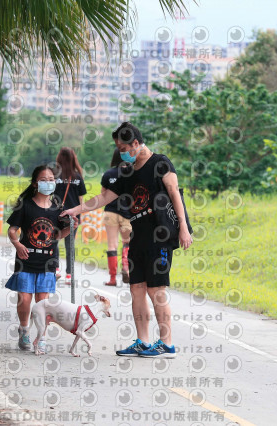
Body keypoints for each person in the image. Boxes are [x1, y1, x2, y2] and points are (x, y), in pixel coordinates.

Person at [61, 122, 193, 358]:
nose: (121, 152)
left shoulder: (160, 163)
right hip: (138, 236)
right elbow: (103, 198)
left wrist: (183, 227)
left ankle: (167, 343)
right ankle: (143, 341)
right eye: (118, 149)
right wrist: (76, 210)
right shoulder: (127, 172)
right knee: (136, 289)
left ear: (136, 143)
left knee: (156, 290)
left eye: (123, 148)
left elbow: (174, 193)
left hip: (160, 236)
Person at [5, 164, 74, 353]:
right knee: (25, 299)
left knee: (43, 302)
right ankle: (24, 330)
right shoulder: (25, 205)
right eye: (44, 180)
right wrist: (18, 245)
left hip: (48, 262)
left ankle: (41, 337)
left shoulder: (58, 208)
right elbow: (12, 230)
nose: (48, 183)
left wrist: (71, 227)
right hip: (26, 259)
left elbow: (59, 234)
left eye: (51, 180)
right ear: (35, 183)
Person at [53, 147, 87, 284]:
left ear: (59, 158)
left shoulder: (54, 176)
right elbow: (80, 199)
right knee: (70, 245)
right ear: (73, 159)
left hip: (56, 214)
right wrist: (80, 215)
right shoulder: (77, 177)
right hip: (73, 216)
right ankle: (69, 275)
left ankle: (55, 269)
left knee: (53, 241)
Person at [100, 148, 132, 286]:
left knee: (112, 245)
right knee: (127, 242)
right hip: (128, 213)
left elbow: (103, 195)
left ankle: (112, 279)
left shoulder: (108, 174)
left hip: (111, 212)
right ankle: (126, 268)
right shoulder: (132, 173)